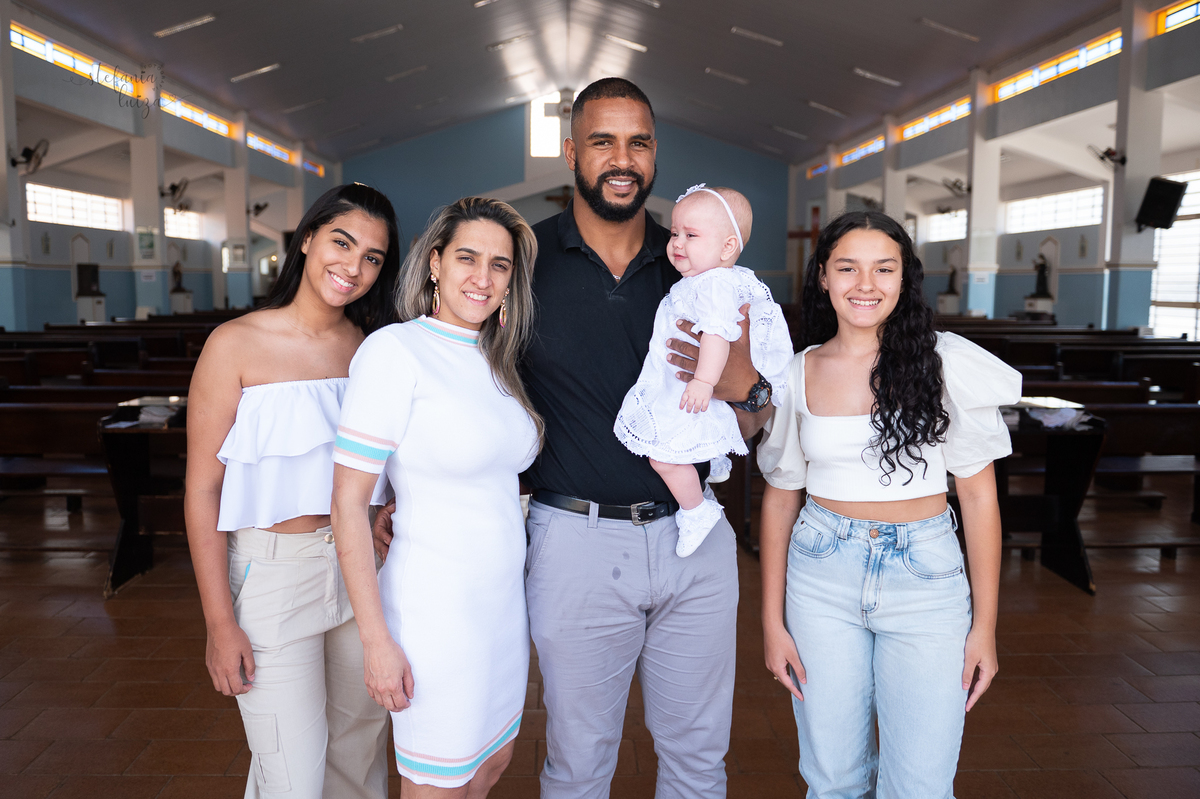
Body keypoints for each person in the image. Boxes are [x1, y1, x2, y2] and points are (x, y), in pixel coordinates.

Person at [757, 211, 1022, 798]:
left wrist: (985, 627)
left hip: (926, 577)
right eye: (847, 268)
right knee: (833, 779)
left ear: (905, 278)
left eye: (884, 268)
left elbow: (979, 496)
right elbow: (780, 498)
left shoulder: (945, 361)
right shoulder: (797, 371)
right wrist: (772, 622)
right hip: (821, 574)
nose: (865, 284)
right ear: (823, 276)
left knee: (921, 785)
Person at [185, 183, 400, 799]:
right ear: (307, 239)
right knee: (290, 776)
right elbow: (202, 490)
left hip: (362, 572)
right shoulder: (235, 344)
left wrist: (386, 509)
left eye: (372, 257)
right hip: (273, 577)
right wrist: (218, 622)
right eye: (341, 243)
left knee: (358, 760)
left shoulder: (373, 349)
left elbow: (379, 466)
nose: (353, 267)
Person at [331, 197, 542, 798]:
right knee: (438, 783)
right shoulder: (395, 352)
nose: (483, 278)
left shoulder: (498, 359)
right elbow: (347, 505)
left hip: (501, 608)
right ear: (435, 263)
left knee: (490, 766)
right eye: (467, 258)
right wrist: (377, 642)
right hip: (435, 615)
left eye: (500, 265)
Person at [614, 183, 792, 556]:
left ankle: (696, 511)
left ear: (727, 247)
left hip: (696, 383)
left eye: (691, 235)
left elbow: (716, 336)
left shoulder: (713, 284)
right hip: (689, 382)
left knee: (662, 456)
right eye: (674, 233)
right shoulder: (704, 280)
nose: (677, 243)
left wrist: (704, 381)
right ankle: (712, 461)